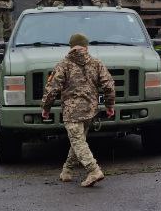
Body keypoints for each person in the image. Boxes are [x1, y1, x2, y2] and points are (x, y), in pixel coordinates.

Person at [40, 32, 116, 187]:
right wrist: (109, 105)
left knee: (78, 142)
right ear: (86, 47)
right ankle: (67, 171)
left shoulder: (63, 64)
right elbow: (109, 86)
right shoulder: (96, 63)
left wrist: (46, 108)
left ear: (71, 47)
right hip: (90, 111)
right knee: (78, 142)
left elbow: (52, 89)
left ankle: (94, 170)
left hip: (72, 112)